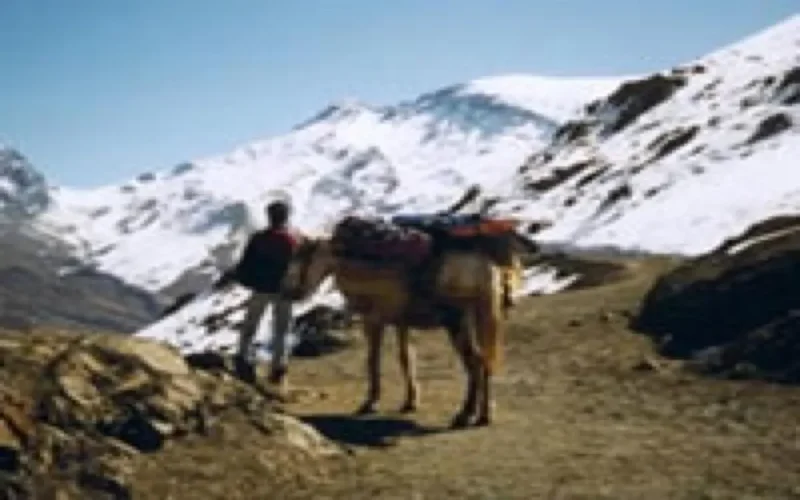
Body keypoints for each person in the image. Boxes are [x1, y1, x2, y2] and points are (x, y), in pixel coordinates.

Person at [213, 199, 304, 388]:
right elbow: (299, 266)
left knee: (250, 326)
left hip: (261, 289)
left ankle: (242, 358)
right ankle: (278, 368)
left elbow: (246, 263)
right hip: (284, 291)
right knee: (281, 331)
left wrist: (242, 279)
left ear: (269, 216)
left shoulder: (259, 238)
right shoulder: (293, 240)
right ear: (286, 216)